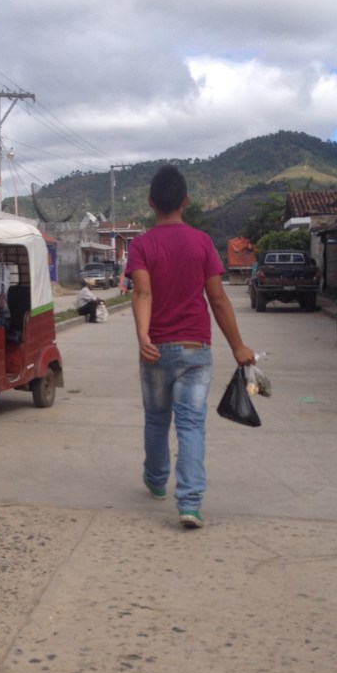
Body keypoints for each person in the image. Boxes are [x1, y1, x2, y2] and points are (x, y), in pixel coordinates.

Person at [125, 165, 254, 529]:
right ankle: (190, 503)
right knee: (191, 426)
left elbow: (142, 292)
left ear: (151, 202)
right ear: (185, 201)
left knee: (156, 418)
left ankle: (156, 479)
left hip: (155, 350)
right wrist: (238, 346)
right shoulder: (201, 243)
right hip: (195, 350)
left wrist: (143, 335)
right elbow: (218, 299)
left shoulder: (141, 245)